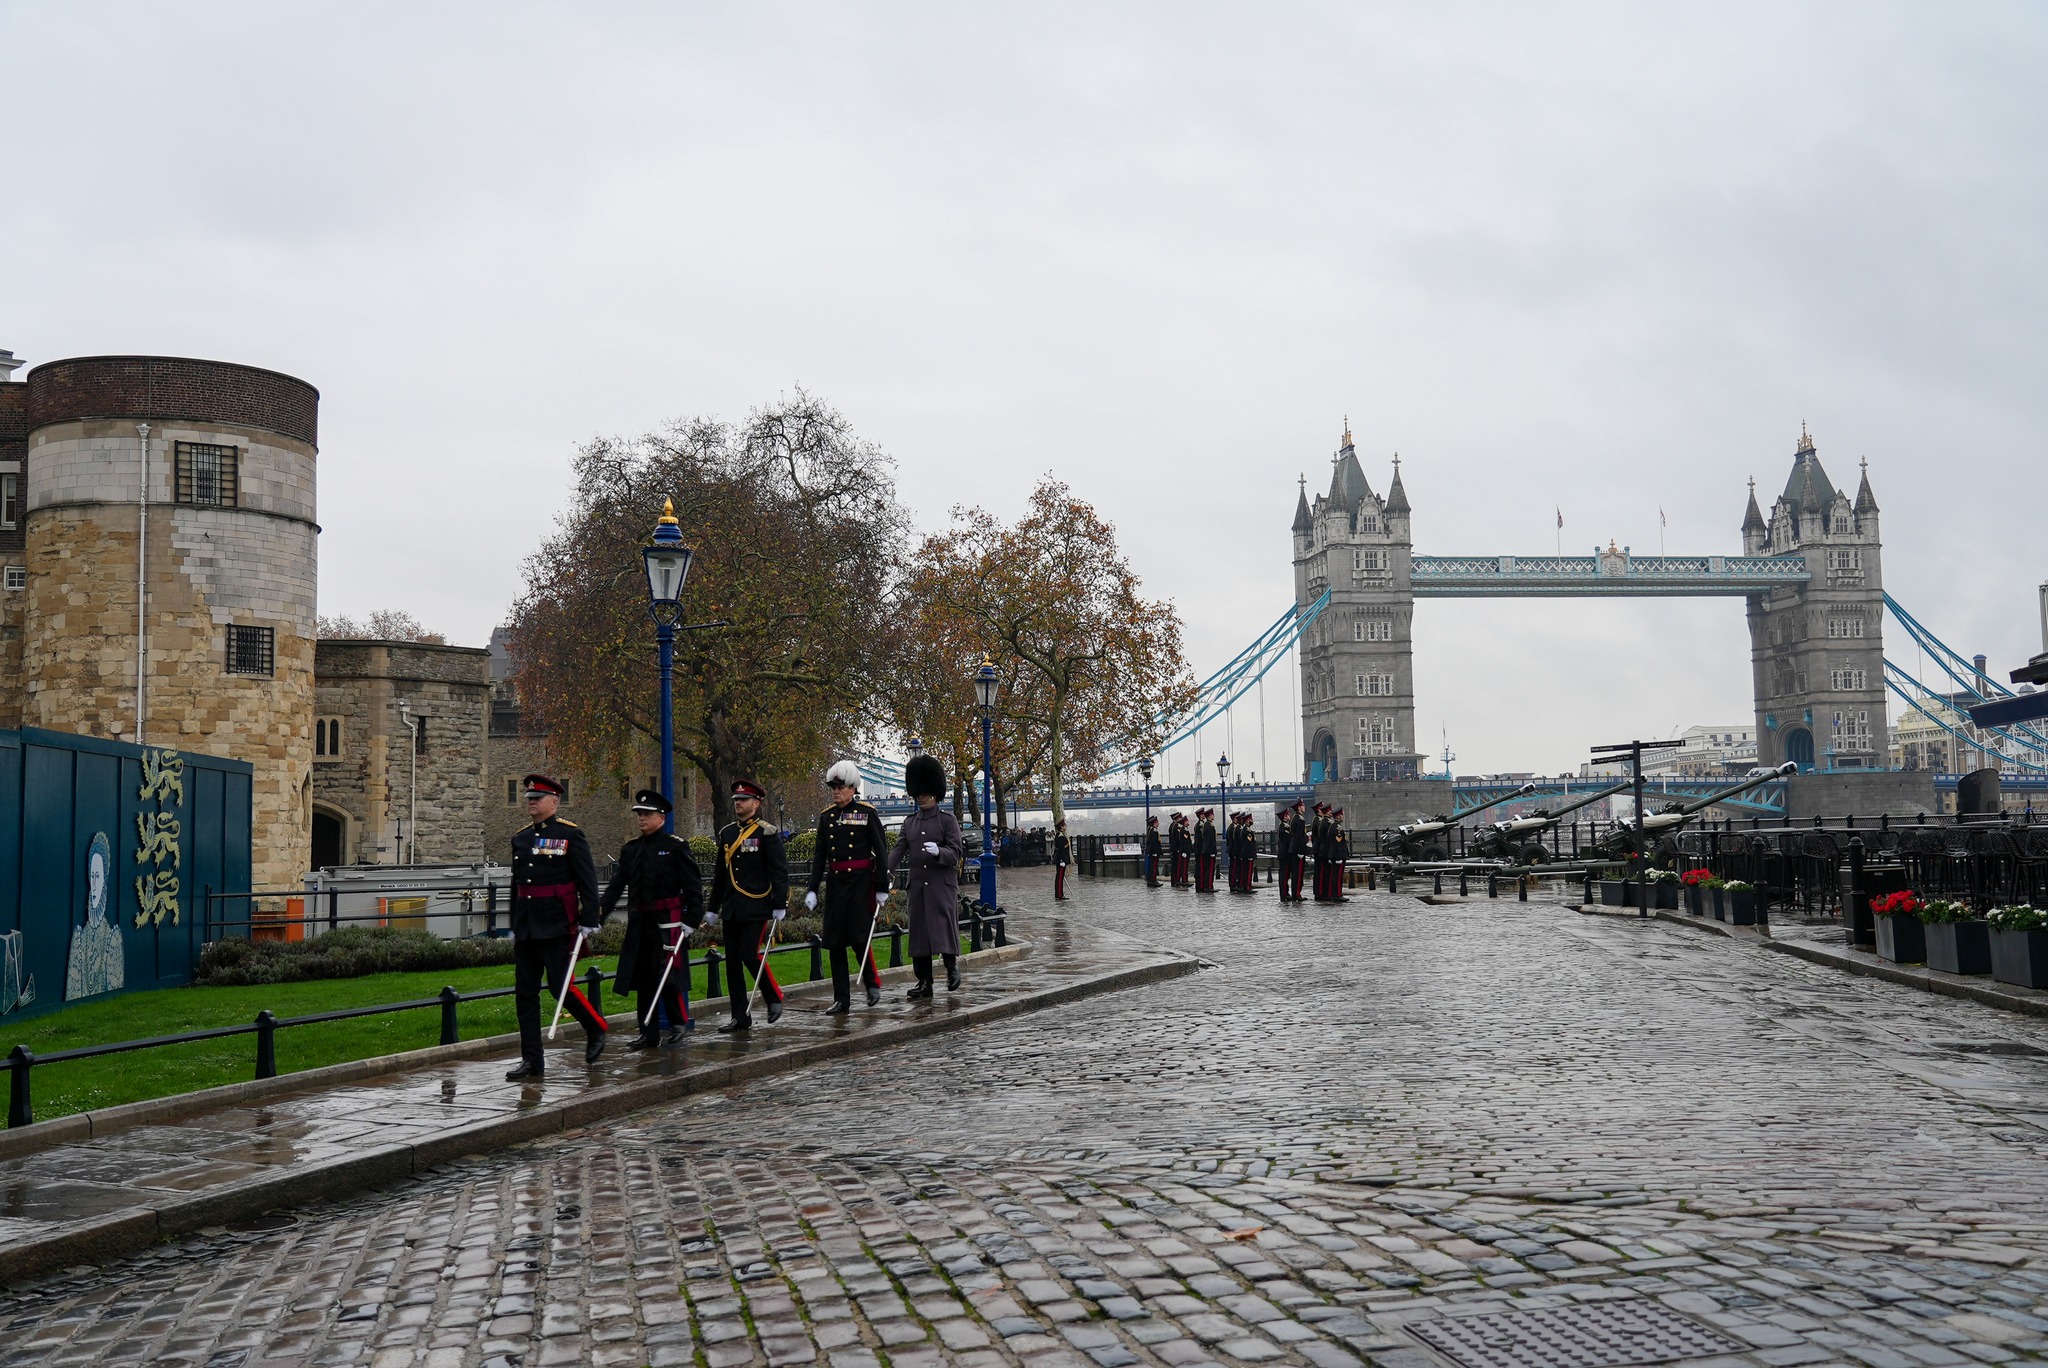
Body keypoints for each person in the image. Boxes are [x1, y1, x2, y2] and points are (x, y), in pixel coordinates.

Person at [506, 773, 607, 1079]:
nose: (532, 803)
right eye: (529, 798)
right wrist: (513, 921)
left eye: (537, 798)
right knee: (524, 993)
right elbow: (517, 884)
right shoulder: (521, 838)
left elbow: (587, 880)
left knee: (560, 986)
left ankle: (595, 1026)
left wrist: (590, 918)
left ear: (554, 801)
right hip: (527, 925)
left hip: (557, 923)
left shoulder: (570, 835)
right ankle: (532, 1060)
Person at [600, 788, 704, 1050]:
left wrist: (691, 919)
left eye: (647, 814)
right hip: (640, 921)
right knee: (643, 977)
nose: (641, 818)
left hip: (667, 921)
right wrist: (599, 914)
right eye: (639, 814)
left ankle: (678, 1024)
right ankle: (648, 1033)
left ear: (661, 817)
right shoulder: (631, 850)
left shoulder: (675, 847)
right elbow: (616, 885)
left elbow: (692, 886)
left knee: (668, 976)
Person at [805, 760, 890, 1014]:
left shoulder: (867, 813)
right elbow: (820, 858)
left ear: (853, 788)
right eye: (833, 787)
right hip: (836, 886)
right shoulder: (826, 817)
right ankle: (841, 998)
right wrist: (812, 888)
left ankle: (872, 983)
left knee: (859, 937)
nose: (836, 791)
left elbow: (881, 851)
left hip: (861, 884)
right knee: (834, 942)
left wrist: (882, 886)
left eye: (840, 787)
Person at [711, 778, 789, 1031]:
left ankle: (773, 996)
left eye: (743, 800)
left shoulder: (766, 832)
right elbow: (720, 875)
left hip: (756, 904)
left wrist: (780, 904)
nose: (739, 804)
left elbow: (778, 871)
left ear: (756, 803)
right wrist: (713, 907)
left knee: (748, 954)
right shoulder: (727, 833)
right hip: (733, 906)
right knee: (732, 962)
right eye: (736, 800)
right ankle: (739, 1016)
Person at [889, 754, 963, 997]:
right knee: (919, 935)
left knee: (943, 928)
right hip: (918, 886)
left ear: (934, 792)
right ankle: (924, 982)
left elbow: (955, 852)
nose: (920, 796)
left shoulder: (947, 820)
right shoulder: (909, 823)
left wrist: (939, 851)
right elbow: (898, 851)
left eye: (924, 792)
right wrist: (884, 871)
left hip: (941, 884)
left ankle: (952, 969)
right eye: (917, 793)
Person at [1194, 809, 1217, 893]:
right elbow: (1208, 840)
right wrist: (1210, 851)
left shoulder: (1205, 825)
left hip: (1203, 850)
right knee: (1207, 869)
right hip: (1204, 851)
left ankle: (1204, 886)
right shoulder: (1205, 825)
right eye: (1212, 814)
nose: (1213, 815)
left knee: (1205, 869)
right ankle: (1206, 886)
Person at [1331, 809, 1351, 901]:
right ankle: (1337, 894)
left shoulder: (1336, 826)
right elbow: (1337, 843)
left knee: (1337, 875)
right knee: (1337, 876)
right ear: (1338, 816)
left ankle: (1337, 893)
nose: (1343, 817)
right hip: (1338, 855)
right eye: (1341, 815)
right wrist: (1338, 856)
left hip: (1338, 855)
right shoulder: (1337, 828)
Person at [1053, 819, 1070, 901]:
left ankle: (1059, 894)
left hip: (1060, 859)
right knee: (1060, 878)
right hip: (1061, 860)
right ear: (1061, 827)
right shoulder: (1061, 837)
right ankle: (1059, 894)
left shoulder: (1060, 835)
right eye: (1064, 825)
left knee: (1060, 877)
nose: (1065, 827)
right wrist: (1062, 860)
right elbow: (1061, 850)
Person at [1144, 815, 1164, 888]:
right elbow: (1153, 842)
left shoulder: (1151, 829)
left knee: (1152, 866)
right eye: (1157, 822)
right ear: (1154, 823)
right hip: (1154, 851)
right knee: (1154, 866)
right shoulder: (1153, 831)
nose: (1158, 823)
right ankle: (1153, 880)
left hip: (1151, 851)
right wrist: (1155, 852)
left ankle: (1151, 880)